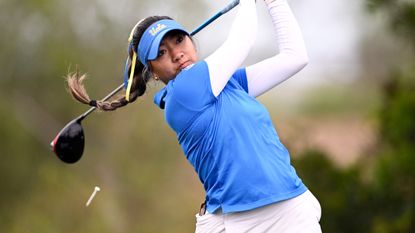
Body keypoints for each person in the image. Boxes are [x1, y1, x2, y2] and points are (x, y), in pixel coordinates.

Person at [66, 0, 322, 232]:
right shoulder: (184, 93)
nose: (176, 53)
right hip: (256, 217)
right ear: (152, 72)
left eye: (178, 40)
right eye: (161, 53)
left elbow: (295, 57)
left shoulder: (227, 83)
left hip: (275, 208)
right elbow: (242, 41)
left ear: (191, 40)